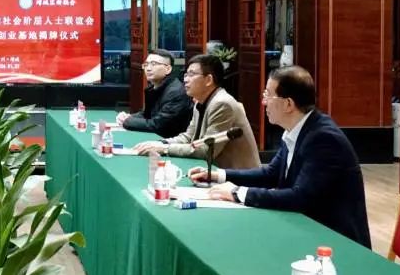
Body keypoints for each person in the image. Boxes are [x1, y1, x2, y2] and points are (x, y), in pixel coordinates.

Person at [190, 66, 372, 248]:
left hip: (335, 242)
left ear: (288, 104)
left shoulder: (323, 138)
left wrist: (237, 193)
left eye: (268, 95)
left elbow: (300, 197)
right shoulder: (297, 129)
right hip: (306, 230)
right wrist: (218, 175)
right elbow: (271, 174)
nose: (263, 102)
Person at [132, 54, 260, 170]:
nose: (186, 80)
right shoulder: (200, 101)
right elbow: (188, 137)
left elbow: (207, 150)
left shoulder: (222, 104)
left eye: (191, 74)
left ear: (208, 80)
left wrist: (165, 149)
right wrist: (161, 143)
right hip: (210, 170)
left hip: (238, 177)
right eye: (186, 75)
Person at [116, 49, 193, 137]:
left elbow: (158, 125)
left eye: (154, 64)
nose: (148, 68)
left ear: (168, 69)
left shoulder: (176, 92)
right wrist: (128, 117)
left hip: (177, 141)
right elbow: (147, 114)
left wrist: (127, 122)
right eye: (146, 64)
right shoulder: (154, 88)